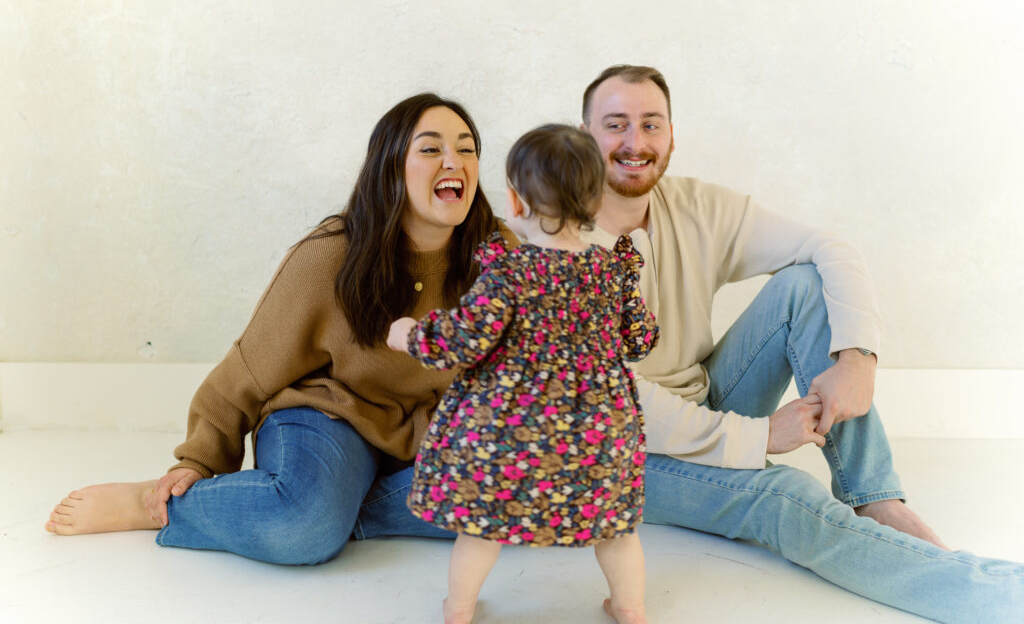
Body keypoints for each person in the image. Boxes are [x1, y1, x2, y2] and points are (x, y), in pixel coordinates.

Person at [577, 64, 1024, 622]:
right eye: (615, 124)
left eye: (651, 125)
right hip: (619, 449)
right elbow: (615, 399)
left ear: (671, 135)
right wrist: (760, 435)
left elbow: (828, 246)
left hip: (701, 401)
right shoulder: (556, 239)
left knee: (803, 284)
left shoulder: (695, 206)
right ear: (584, 136)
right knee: (783, 498)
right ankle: (999, 597)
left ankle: (876, 498)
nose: (634, 142)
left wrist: (857, 356)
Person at [44, 93, 512, 563]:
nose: (454, 160)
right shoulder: (332, 253)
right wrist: (198, 462)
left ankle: (332, 510)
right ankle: (163, 507)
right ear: (390, 166)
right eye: (431, 149)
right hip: (326, 416)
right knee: (302, 523)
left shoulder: (501, 256)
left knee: (527, 493)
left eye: (467, 148)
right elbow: (249, 368)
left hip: (426, 435)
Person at [388, 124, 659, 624]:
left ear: (514, 201)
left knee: (480, 526)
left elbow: (463, 339)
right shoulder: (613, 271)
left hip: (511, 436)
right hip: (600, 433)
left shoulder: (510, 272)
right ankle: (630, 606)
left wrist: (408, 333)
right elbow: (641, 340)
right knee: (618, 529)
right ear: (595, 199)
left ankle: (459, 607)